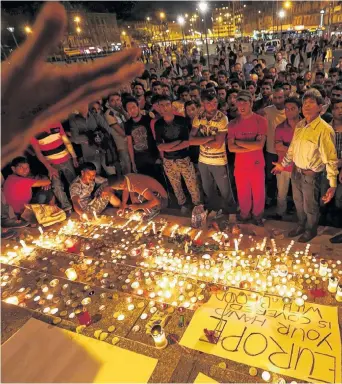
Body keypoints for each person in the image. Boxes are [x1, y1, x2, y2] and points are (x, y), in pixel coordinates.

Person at [2, 2, 144, 166]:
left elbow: (104, 130)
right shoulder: (76, 120)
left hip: (105, 150)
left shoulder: (96, 116)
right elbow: (77, 137)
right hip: (88, 155)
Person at [272, 89, 339, 242]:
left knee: (310, 205)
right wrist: (283, 164)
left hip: (311, 174)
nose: (307, 106)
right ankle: (301, 225)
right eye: (304, 103)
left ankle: (311, 229)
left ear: (320, 107)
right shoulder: (301, 125)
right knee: (298, 202)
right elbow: (292, 149)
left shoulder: (324, 130)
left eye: (311, 103)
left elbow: (330, 159)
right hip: (296, 171)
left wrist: (332, 184)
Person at [190, 90, 236, 217]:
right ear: (203, 104)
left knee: (225, 189)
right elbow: (191, 139)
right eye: (209, 103)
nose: (213, 106)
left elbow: (218, 144)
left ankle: (231, 211)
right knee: (208, 188)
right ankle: (215, 209)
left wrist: (200, 141)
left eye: (215, 103)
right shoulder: (198, 117)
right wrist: (209, 139)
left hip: (219, 160)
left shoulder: (222, 118)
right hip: (203, 159)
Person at [155, 95, 201, 213]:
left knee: (192, 184)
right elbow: (160, 145)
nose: (165, 108)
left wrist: (169, 147)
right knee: (176, 185)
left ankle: (197, 204)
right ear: (159, 108)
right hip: (168, 160)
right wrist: (174, 145)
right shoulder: (158, 124)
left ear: (172, 106)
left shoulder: (182, 121)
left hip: (183, 158)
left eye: (167, 105)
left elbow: (187, 142)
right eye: (162, 106)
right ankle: (183, 204)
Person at [228, 90, 267, 226]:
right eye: (239, 102)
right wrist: (251, 144)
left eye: (245, 102)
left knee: (258, 191)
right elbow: (230, 148)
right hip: (240, 164)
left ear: (251, 103)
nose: (242, 105)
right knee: (242, 190)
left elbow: (259, 145)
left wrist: (238, 142)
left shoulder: (260, 121)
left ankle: (257, 216)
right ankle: (244, 214)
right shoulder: (232, 124)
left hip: (256, 163)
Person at [31, 121, 77, 212]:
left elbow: (66, 141)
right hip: (52, 164)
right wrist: (49, 168)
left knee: (73, 182)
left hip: (66, 159)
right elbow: (38, 153)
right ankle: (67, 207)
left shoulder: (56, 123)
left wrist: (74, 156)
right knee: (56, 186)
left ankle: (78, 203)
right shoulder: (33, 133)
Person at [267, 97, 302, 220]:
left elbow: (306, 148)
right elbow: (277, 147)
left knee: (299, 195)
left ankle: (301, 217)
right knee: (281, 193)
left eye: (293, 108)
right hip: (283, 164)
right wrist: (296, 148)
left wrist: (286, 146)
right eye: (287, 109)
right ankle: (280, 213)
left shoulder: (306, 126)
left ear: (299, 110)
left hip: (300, 166)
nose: (289, 111)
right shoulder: (280, 127)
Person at [69, 102, 118, 176]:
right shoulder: (73, 120)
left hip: (104, 151)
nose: (82, 106)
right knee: (95, 178)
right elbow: (75, 139)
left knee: (113, 174)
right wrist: (91, 136)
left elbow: (108, 130)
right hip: (90, 154)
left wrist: (88, 136)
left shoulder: (95, 115)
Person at [261, 88, 286, 207]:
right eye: (275, 98)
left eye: (280, 97)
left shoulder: (290, 110)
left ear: (284, 97)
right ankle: (270, 198)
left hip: (285, 151)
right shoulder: (268, 110)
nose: (277, 100)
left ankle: (283, 202)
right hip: (270, 150)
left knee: (284, 179)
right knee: (270, 177)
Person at [123, 96, 159, 177]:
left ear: (138, 107)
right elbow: (130, 144)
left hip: (152, 156)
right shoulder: (127, 124)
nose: (132, 110)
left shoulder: (149, 119)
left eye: (134, 107)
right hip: (139, 158)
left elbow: (157, 138)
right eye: (129, 109)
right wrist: (133, 162)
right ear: (127, 111)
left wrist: (159, 156)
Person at [320, 100, 342, 229]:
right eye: (337, 108)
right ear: (332, 111)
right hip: (327, 169)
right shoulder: (325, 128)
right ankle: (323, 220)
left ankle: (337, 223)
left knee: (339, 198)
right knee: (324, 194)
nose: (340, 110)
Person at [104, 93, 131, 175]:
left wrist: (123, 112)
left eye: (118, 100)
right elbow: (122, 133)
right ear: (108, 102)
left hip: (130, 142)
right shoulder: (109, 114)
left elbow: (131, 122)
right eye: (112, 100)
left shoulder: (122, 110)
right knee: (127, 168)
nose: (116, 103)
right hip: (121, 145)